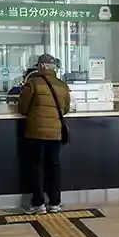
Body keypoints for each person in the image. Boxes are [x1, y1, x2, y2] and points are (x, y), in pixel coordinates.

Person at [17, 54, 71, 214]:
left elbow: (23, 108)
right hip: (55, 134)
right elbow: (65, 109)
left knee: (37, 168)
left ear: (40, 66)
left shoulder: (32, 84)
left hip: (36, 133)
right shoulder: (62, 86)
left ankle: (38, 204)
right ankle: (55, 203)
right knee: (54, 167)